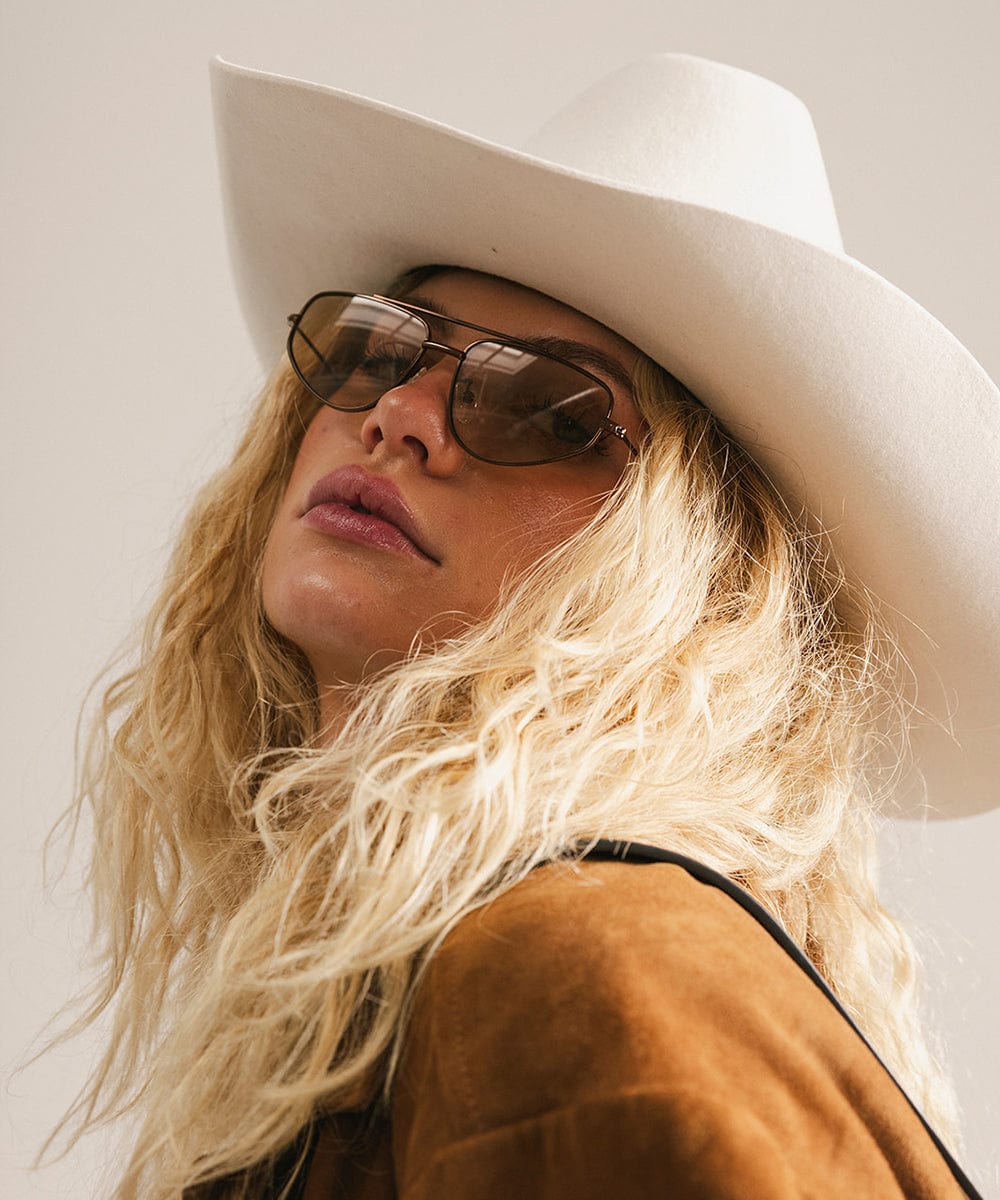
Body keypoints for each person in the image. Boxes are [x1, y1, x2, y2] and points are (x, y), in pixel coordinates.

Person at [50, 53, 997, 1198]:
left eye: (543, 406)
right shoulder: (466, 981)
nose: (399, 415)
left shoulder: (575, 970)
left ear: (701, 576)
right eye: (379, 350)